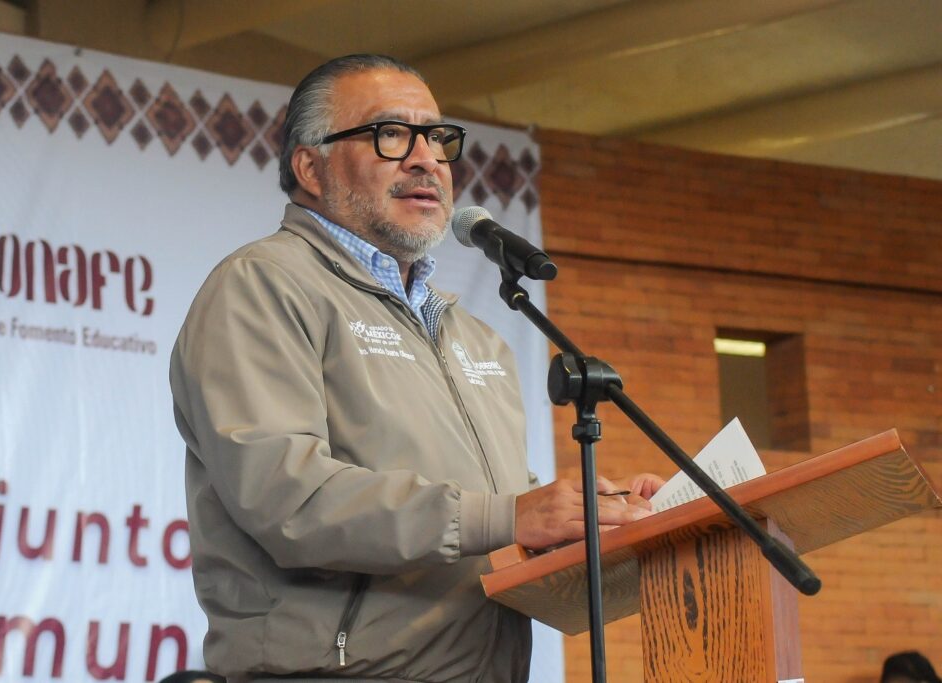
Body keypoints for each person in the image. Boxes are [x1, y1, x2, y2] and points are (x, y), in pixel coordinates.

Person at [169, 53, 663, 682]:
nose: (427, 158)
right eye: (391, 134)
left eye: (437, 137)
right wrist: (509, 516)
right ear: (309, 166)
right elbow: (287, 499)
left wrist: (605, 512)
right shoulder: (263, 286)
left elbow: (500, 516)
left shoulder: (474, 337)